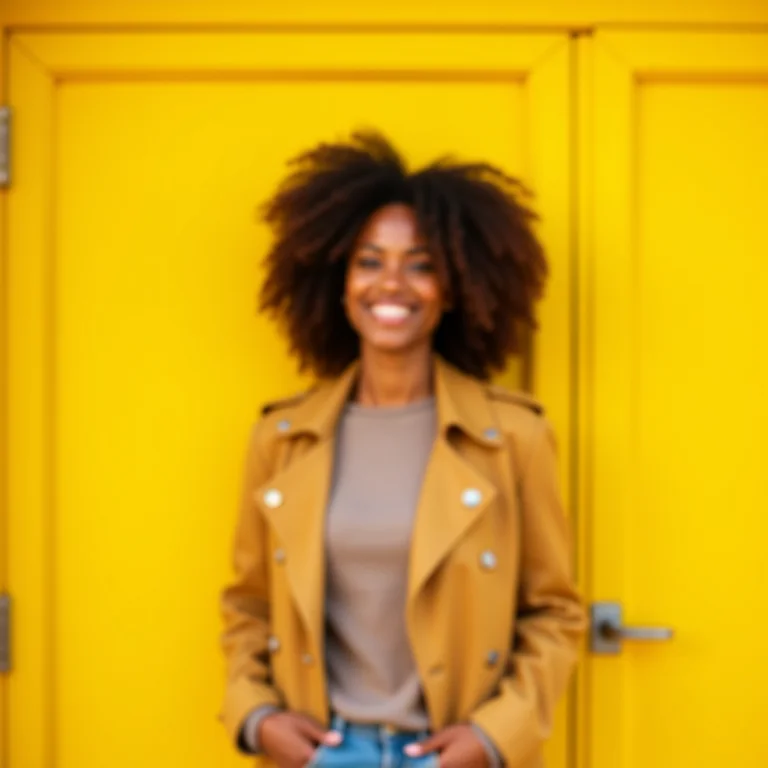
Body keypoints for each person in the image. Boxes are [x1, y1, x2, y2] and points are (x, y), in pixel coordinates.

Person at [219, 132, 586, 768]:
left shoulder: (513, 439)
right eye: (369, 261)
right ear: (337, 282)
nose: (392, 284)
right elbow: (247, 605)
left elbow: (555, 613)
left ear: (454, 289)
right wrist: (255, 716)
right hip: (323, 753)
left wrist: (496, 737)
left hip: (452, 753)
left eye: (420, 264)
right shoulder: (282, 439)